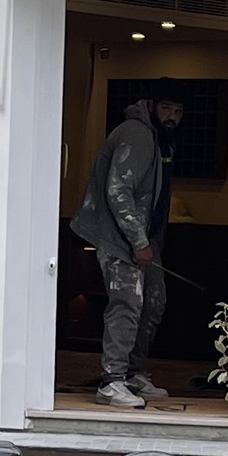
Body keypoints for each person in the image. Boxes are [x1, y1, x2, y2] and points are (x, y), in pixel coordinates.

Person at [70, 89, 167, 413]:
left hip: (140, 239)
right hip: (119, 239)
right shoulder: (137, 134)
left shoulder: (153, 137)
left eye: (179, 111)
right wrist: (138, 241)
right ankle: (111, 381)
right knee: (127, 305)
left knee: (152, 301)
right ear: (151, 105)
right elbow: (118, 189)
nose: (172, 117)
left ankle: (132, 373)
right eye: (167, 108)